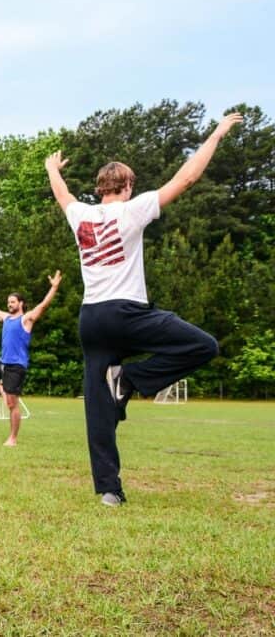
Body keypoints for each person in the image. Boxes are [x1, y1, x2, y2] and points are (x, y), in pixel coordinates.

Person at [45, 112, 242, 507]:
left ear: (100, 188)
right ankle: (131, 379)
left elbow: (62, 195)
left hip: (92, 319)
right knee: (203, 346)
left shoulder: (81, 215)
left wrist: (52, 168)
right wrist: (217, 135)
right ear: (129, 186)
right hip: (127, 314)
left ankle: (108, 491)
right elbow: (186, 179)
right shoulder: (133, 210)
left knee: (98, 403)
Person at [0, 271, 62, 446]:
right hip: (2, 363)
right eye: (8, 302)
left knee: (12, 404)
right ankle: (0, 387)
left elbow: (42, 306)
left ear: (21, 304)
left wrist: (54, 287)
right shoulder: (6, 318)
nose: (9, 304)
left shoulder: (26, 320)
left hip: (16, 367)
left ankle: (12, 438)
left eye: (12, 302)